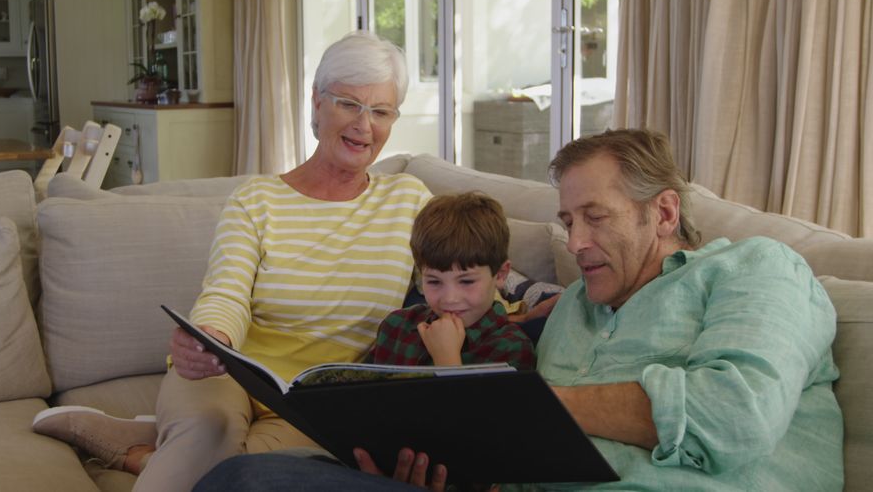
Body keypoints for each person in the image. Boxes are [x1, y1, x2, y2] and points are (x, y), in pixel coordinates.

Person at [193, 128, 844, 491]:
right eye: (566, 221)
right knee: (248, 478)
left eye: (595, 217)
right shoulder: (574, 307)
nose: (577, 242)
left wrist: (525, 406)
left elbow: (738, 416)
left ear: (664, 211)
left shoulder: (757, 270)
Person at [31, 31, 433, 492]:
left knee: (239, 478)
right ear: (317, 103)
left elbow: (460, 279)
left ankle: (141, 450)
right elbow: (226, 292)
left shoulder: (410, 202)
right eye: (348, 104)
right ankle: (176, 437)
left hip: (318, 402)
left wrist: (529, 304)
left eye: (380, 111)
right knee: (211, 432)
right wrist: (210, 340)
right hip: (230, 374)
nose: (364, 125)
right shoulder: (257, 200)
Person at [367, 191, 535, 371]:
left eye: (466, 281)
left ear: (500, 275)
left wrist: (446, 359)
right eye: (434, 282)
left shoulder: (511, 349)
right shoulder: (395, 327)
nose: (450, 299)